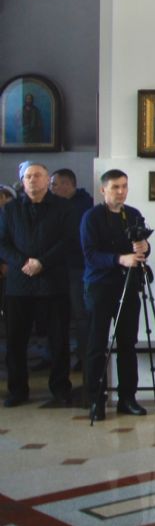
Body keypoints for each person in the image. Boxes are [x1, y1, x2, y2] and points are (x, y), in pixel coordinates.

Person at [0, 163, 76, 408]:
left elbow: (68, 240)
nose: (33, 180)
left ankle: (60, 387)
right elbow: (2, 243)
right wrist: (24, 262)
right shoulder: (10, 210)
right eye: (28, 176)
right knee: (16, 340)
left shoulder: (63, 207)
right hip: (19, 284)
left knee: (58, 339)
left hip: (52, 282)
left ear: (47, 180)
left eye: (38, 176)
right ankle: (17, 390)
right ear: (22, 182)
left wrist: (42, 262)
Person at [79, 169, 150, 419]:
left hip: (128, 285)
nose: (121, 192)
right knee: (97, 344)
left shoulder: (132, 215)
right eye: (115, 187)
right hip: (100, 286)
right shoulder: (91, 217)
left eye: (124, 187)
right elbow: (90, 255)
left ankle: (127, 398)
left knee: (128, 344)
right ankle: (96, 399)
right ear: (103, 190)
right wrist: (120, 258)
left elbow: (142, 245)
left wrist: (144, 247)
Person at [50, 169, 94, 373]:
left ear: (67, 185)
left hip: (78, 269)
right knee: (58, 319)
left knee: (81, 317)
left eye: (54, 184)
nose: (52, 189)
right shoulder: (55, 206)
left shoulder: (83, 206)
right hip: (58, 270)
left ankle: (86, 362)